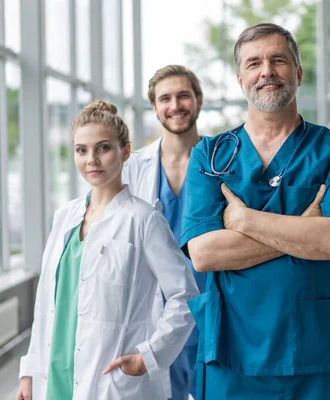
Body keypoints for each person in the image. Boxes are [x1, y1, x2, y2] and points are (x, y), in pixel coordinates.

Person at [180, 23, 330, 399]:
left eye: (278, 60)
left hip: (318, 349)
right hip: (232, 351)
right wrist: (303, 231)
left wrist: (245, 220)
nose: (266, 71)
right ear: (241, 79)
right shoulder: (210, 155)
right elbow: (204, 254)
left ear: (298, 73)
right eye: (254, 63)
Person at [15, 101, 199, 400]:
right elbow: (45, 303)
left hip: (110, 382)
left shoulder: (143, 219)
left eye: (103, 148)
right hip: (53, 374)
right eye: (81, 150)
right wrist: (28, 372)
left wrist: (149, 356)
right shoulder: (65, 217)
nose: (92, 160)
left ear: (125, 151)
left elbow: (186, 294)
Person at [122, 65, 206, 400]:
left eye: (183, 95)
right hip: (155, 316)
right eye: (165, 98)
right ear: (155, 107)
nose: (175, 105)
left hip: (211, 311)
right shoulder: (132, 168)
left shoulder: (223, 161)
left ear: (198, 100)